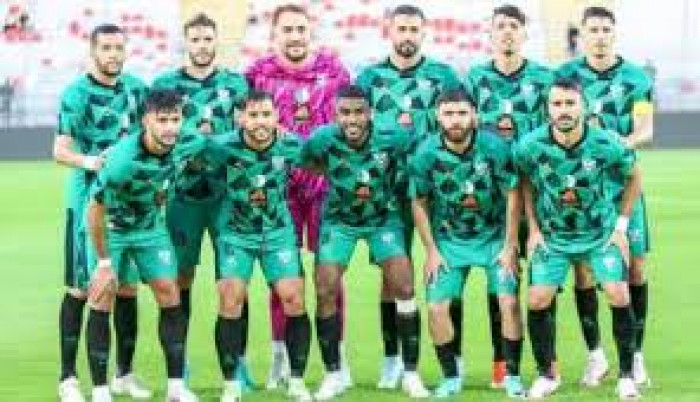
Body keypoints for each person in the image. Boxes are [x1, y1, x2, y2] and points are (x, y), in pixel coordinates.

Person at [245, 4, 352, 389]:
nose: (294, 36)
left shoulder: (334, 71)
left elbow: (349, 123)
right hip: (278, 192)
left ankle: (338, 360)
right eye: (286, 30)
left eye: (300, 29)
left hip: (326, 189)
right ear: (274, 35)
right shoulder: (257, 75)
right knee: (283, 275)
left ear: (311, 32)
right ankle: (280, 357)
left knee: (330, 276)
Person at [514, 78, 642, 400]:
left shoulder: (605, 143)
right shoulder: (530, 145)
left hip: (599, 235)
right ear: (547, 108)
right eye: (557, 104)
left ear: (583, 106)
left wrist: (621, 227)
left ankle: (627, 377)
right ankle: (547, 375)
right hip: (553, 238)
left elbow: (634, 176)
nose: (564, 110)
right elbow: (525, 181)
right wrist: (534, 229)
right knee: (537, 299)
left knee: (617, 293)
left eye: (570, 103)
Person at [354, 4, 461, 387]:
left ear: (424, 32)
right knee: (392, 276)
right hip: (387, 192)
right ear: (389, 31)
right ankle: (392, 359)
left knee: (449, 268)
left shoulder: (443, 76)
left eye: (414, 29)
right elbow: (355, 130)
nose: (408, 35)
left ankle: (455, 358)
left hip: (438, 189)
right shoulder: (369, 78)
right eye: (401, 28)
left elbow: (459, 124)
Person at [305, 86, 430, 400]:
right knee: (325, 289)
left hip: (383, 219)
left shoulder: (394, 137)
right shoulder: (322, 139)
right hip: (339, 221)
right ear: (335, 113)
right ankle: (333, 374)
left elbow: (418, 154)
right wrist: (336, 173)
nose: (352, 119)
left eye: (359, 112)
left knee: (404, 287)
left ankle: (410, 373)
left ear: (370, 113)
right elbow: (308, 162)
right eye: (345, 112)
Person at [557, 6, 654, 388]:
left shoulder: (636, 78)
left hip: (623, 186)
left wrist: (617, 145)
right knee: (583, 270)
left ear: (614, 33)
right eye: (592, 29)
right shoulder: (566, 76)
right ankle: (595, 356)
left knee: (636, 269)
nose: (599, 35)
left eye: (605, 29)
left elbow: (646, 128)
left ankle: (636, 356)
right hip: (581, 192)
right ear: (581, 34)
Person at [84, 89, 203, 402]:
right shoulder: (122, 160)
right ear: (146, 121)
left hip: (150, 229)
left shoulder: (187, 141)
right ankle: (100, 390)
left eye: (175, 119)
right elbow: (94, 209)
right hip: (112, 230)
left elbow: (216, 143)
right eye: (162, 120)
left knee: (169, 291)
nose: (170, 127)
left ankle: (176, 387)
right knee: (102, 296)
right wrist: (104, 263)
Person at [151, 12, 250, 386]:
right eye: (196, 39)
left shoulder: (236, 83)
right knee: (181, 278)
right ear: (186, 42)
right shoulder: (166, 85)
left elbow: (249, 132)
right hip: (183, 198)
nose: (203, 46)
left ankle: (237, 365)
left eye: (208, 39)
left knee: (234, 280)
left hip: (228, 197)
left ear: (216, 41)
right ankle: (181, 364)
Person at [52, 23, 150, 402]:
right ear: (93, 51)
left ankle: (124, 374)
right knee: (81, 288)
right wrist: (92, 161)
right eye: (106, 47)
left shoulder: (137, 89)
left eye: (118, 47)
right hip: (85, 201)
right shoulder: (76, 93)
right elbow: (60, 150)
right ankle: (67, 378)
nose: (113, 54)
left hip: (130, 201)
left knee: (126, 287)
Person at [463, 4, 557, 388]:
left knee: (543, 279)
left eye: (513, 26)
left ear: (524, 33)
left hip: (537, 193)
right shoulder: (475, 77)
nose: (507, 32)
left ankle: (548, 362)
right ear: (490, 33)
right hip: (492, 197)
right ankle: (501, 362)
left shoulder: (544, 78)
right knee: (499, 281)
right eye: (500, 26)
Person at [410, 89, 526, 399]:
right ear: (438, 116)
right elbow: (419, 202)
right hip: (449, 240)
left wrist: (510, 245)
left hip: (493, 238)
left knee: (509, 302)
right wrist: (431, 251)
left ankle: (512, 377)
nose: (456, 120)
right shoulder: (425, 154)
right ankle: (450, 378)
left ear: (475, 115)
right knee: (436, 308)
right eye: (449, 113)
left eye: (462, 113)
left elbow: (513, 195)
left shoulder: (495, 147)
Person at [202, 90, 313, 402]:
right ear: (240, 118)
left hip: (278, 233)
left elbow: (321, 160)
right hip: (235, 234)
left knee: (294, 299)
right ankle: (231, 384)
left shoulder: (291, 145)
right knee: (231, 300)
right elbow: (185, 156)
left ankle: (296, 381)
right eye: (253, 115)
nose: (260, 122)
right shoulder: (221, 147)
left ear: (277, 116)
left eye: (266, 114)